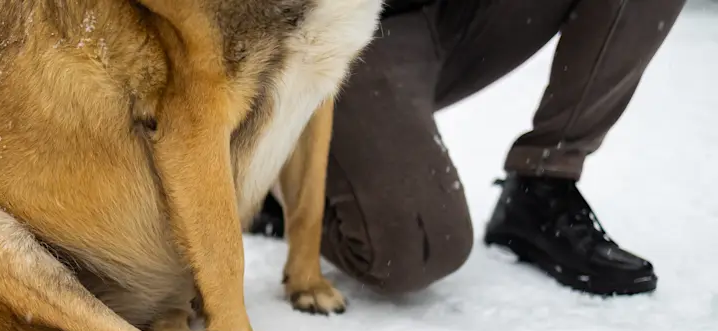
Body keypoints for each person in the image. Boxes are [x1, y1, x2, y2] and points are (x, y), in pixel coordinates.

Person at [250, 0, 686, 296]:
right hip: (349, 26)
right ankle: (274, 168)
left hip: (466, 13)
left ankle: (545, 181)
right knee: (413, 253)